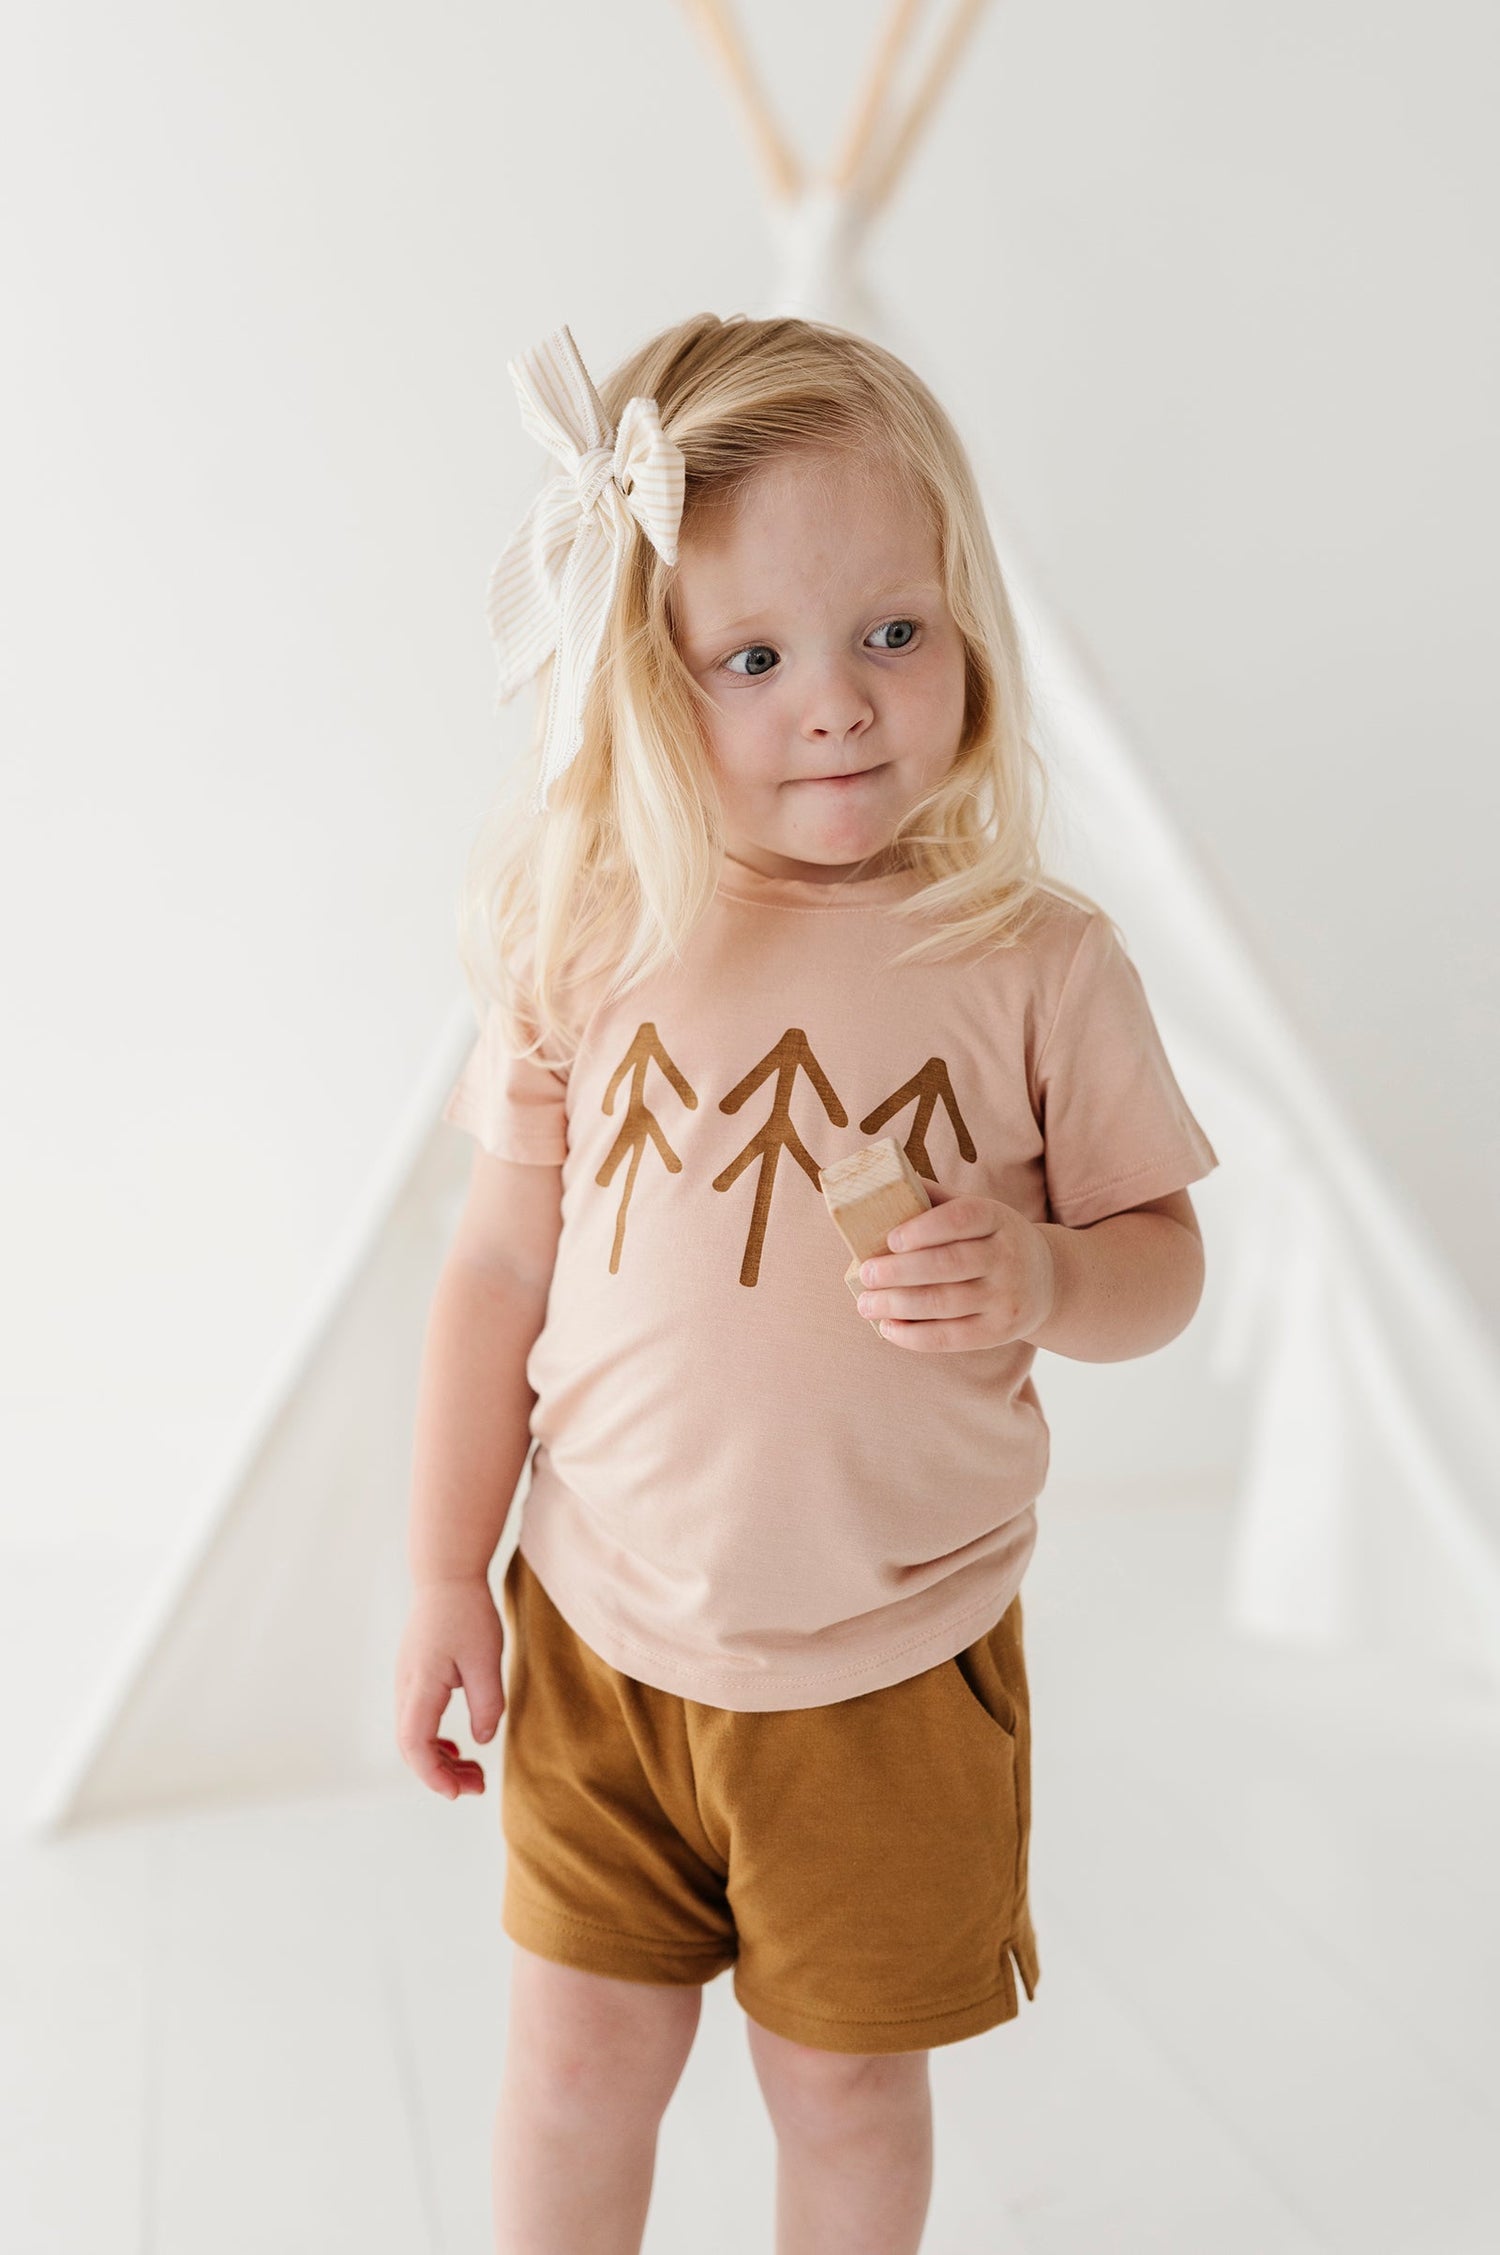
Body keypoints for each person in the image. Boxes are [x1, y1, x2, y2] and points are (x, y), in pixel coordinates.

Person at [395, 313, 1219, 2255]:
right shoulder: (593, 929)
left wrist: (1044, 1274)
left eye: (892, 634)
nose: (837, 705)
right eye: (753, 658)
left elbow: (1165, 1270)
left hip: (889, 1666)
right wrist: (443, 1572)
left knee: (843, 2090)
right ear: (644, 671)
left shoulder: (1035, 958)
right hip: (598, 1637)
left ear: (970, 632)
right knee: (576, 2068)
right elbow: (496, 1267)